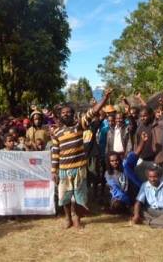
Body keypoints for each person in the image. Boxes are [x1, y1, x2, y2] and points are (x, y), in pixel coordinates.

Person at [51, 89, 112, 229]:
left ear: (73, 114)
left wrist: (105, 98)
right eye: (63, 113)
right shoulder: (56, 133)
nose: (66, 114)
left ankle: (77, 218)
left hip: (79, 169)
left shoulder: (79, 125)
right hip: (63, 171)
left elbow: (93, 112)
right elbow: (55, 153)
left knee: (80, 196)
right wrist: (54, 171)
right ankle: (67, 219)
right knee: (64, 197)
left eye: (69, 112)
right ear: (60, 116)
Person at [131, 160, 163, 228]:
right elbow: (138, 202)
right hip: (153, 211)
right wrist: (136, 215)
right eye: (150, 177)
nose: (152, 179)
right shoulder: (145, 185)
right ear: (147, 177)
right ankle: (159, 222)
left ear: (160, 176)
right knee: (136, 209)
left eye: (155, 177)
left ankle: (148, 222)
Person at [104, 132, 146, 214]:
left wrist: (142, 142)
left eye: (116, 160)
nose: (115, 162)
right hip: (122, 197)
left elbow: (136, 154)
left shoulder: (126, 166)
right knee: (117, 204)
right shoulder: (108, 174)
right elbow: (116, 190)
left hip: (136, 193)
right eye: (112, 161)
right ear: (109, 162)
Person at [134, 107, 163, 181]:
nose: (142, 118)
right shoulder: (139, 128)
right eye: (141, 116)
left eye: (145, 116)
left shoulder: (159, 125)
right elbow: (137, 143)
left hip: (156, 160)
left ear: (151, 115)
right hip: (143, 160)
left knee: (159, 182)